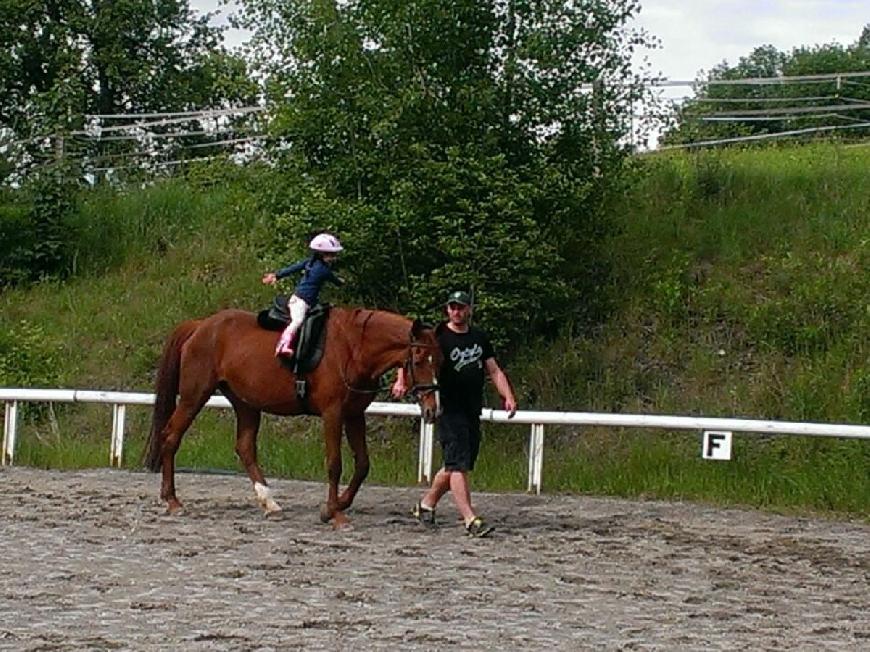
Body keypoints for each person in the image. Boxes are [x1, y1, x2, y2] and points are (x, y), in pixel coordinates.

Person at [391, 289, 517, 537]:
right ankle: (470, 519)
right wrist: (401, 380)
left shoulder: (479, 337)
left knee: (455, 464)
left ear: (468, 309)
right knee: (459, 465)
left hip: (471, 407)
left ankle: (426, 506)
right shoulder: (438, 336)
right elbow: (412, 356)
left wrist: (508, 395)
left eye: (460, 307)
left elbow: (494, 370)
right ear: (447, 310)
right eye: (452, 307)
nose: (456, 312)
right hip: (448, 407)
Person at [262, 232, 345, 357]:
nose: (333, 257)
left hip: (307, 301)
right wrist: (341, 282)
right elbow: (335, 281)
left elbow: (292, 268)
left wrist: (277, 275)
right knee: (297, 321)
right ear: (322, 254)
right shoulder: (324, 270)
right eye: (331, 254)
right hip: (301, 302)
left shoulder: (309, 263)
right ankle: (283, 345)